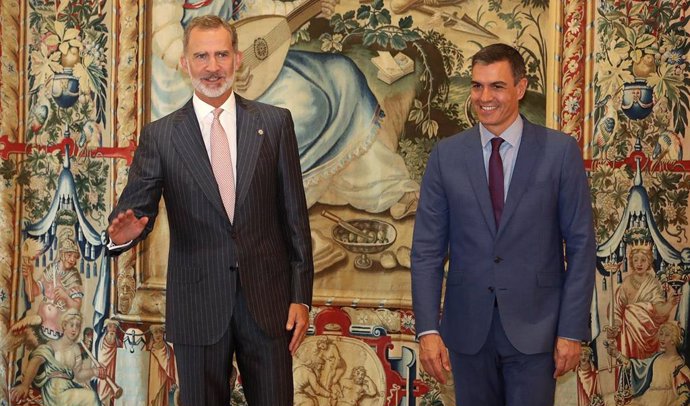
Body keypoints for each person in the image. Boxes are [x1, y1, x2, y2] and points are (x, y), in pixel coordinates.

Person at [107, 15, 313, 405]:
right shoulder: (161, 135)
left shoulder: (274, 123)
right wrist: (122, 236)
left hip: (268, 308)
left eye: (221, 54)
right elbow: (135, 213)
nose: (213, 66)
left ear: (237, 59)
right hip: (197, 308)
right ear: (185, 63)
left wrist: (301, 297)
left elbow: (295, 221)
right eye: (201, 56)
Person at [410, 43, 596, 405]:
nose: (484, 97)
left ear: (520, 88)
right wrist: (428, 329)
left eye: (496, 86)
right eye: (477, 86)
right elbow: (427, 251)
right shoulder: (446, 156)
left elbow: (580, 246)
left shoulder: (559, 152)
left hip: (537, 332)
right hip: (467, 333)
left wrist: (572, 330)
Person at [10, 309, 105, 406]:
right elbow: (36, 361)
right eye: (71, 325)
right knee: (92, 397)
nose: (74, 329)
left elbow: (78, 374)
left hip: (69, 387)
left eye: (77, 326)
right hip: (55, 389)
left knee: (92, 396)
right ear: (64, 326)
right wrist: (25, 385)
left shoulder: (76, 349)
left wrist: (94, 371)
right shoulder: (53, 345)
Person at [606, 240, 680, 360]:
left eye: (643, 260)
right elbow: (617, 309)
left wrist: (670, 304)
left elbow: (659, 311)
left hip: (650, 334)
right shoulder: (626, 283)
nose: (639, 264)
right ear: (631, 262)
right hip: (629, 334)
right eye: (636, 260)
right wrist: (615, 327)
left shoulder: (654, 283)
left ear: (649, 262)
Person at [606, 321, 690, 405]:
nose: (662, 338)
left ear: (674, 339)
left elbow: (685, 394)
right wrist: (616, 354)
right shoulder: (656, 358)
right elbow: (634, 366)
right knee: (609, 401)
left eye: (667, 335)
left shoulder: (678, 364)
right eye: (661, 334)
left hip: (663, 402)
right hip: (647, 399)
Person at [147, 324, 177, 406]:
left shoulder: (168, 349)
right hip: (153, 381)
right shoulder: (149, 349)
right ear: (152, 335)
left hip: (165, 380)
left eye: (160, 332)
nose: (158, 335)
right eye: (155, 332)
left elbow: (171, 367)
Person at [97, 319, 121, 405]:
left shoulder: (118, 342)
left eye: (114, 327)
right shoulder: (103, 341)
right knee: (104, 397)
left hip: (114, 372)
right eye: (110, 326)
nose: (112, 329)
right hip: (104, 372)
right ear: (106, 328)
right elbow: (102, 358)